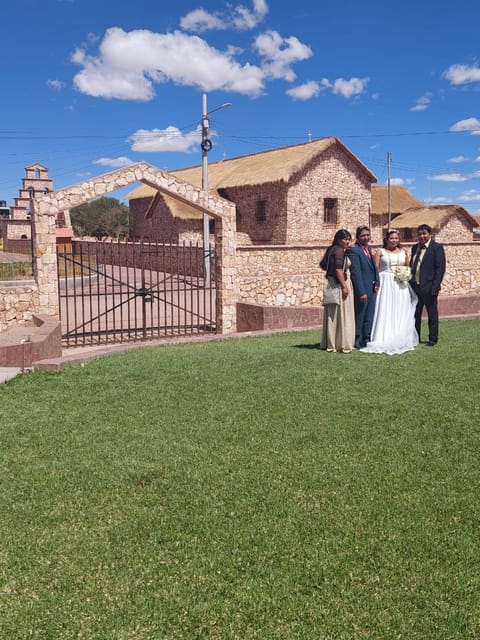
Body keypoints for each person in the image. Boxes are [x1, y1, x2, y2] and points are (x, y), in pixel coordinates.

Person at [361, 229, 418, 355]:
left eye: (396, 238)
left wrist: (405, 274)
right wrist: (375, 283)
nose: (394, 240)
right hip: (385, 282)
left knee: (400, 308)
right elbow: (375, 269)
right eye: (392, 238)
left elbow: (408, 267)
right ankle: (383, 336)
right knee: (385, 308)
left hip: (400, 284)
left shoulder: (404, 252)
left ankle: (400, 335)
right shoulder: (380, 252)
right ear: (386, 239)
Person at [410, 224, 446, 346]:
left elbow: (440, 269)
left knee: (432, 314)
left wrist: (435, 287)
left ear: (430, 234)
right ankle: (415, 337)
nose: (421, 236)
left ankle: (433, 338)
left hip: (430, 288)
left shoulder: (437, 248)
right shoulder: (415, 248)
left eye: (424, 233)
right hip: (415, 287)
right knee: (415, 314)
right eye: (419, 234)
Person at [320, 229, 355, 353]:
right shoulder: (339, 251)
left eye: (348, 239)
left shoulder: (332, 249)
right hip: (338, 285)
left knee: (333, 314)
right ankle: (340, 342)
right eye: (345, 239)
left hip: (332, 284)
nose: (347, 241)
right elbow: (338, 270)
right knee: (341, 313)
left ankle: (332, 341)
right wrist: (344, 286)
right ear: (338, 240)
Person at [347, 225, 380, 349]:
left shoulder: (368, 248)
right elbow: (356, 272)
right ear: (358, 237)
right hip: (362, 289)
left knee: (369, 315)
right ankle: (357, 339)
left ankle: (367, 338)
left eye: (367, 235)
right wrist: (361, 291)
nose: (366, 237)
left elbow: (374, 267)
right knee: (360, 315)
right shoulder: (354, 250)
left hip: (372, 288)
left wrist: (377, 282)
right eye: (363, 235)